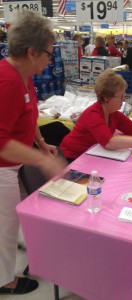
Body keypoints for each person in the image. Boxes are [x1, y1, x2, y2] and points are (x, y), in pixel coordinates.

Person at [0, 11, 67, 295]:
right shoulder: (7, 82)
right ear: (31, 52)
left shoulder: (24, 75)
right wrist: (43, 161)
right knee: (5, 226)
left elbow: (27, 117)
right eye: (49, 53)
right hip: (2, 166)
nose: (51, 60)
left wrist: (41, 143)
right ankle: (5, 281)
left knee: (18, 216)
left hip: (15, 163)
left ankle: (24, 255)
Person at [60, 69, 132, 162]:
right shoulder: (93, 115)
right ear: (107, 98)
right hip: (71, 157)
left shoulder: (113, 114)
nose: (124, 99)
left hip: (90, 154)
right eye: (120, 96)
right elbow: (109, 142)